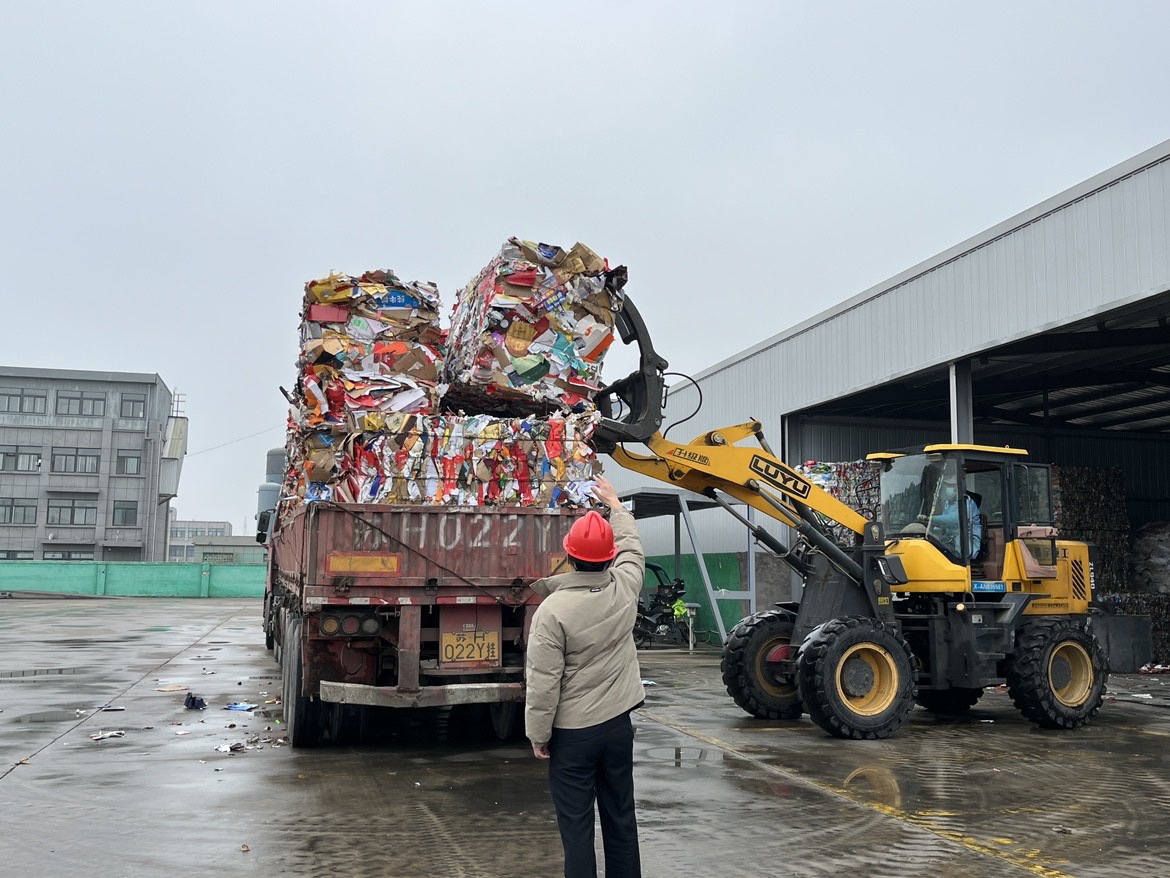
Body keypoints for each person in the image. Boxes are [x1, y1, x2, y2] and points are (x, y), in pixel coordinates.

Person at [525, 474, 645, 878]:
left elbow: (543, 682)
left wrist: (539, 735)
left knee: (576, 828)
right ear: (610, 558)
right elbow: (633, 547)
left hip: (573, 736)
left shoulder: (553, 611)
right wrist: (615, 505)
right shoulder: (625, 587)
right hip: (617, 728)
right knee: (621, 820)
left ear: (570, 556)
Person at [929, 471, 982, 559]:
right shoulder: (949, 504)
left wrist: (931, 519)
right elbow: (944, 525)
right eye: (947, 486)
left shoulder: (967, 502)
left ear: (957, 487)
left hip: (966, 543)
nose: (947, 488)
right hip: (952, 541)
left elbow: (955, 519)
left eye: (950, 485)